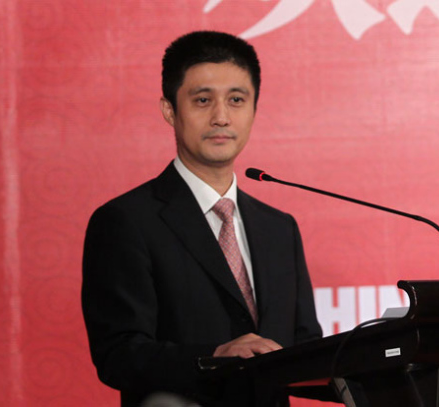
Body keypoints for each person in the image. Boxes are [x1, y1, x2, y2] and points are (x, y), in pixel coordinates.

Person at [81, 31, 322, 407]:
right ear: (169, 110)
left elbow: (306, 347)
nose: (221, 116)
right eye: (203, 100)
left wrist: (385, 353)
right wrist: (215, 357)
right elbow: (119, 354)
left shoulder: (279, 228)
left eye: (237, 100)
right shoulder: (125, 221)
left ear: (254, 110)